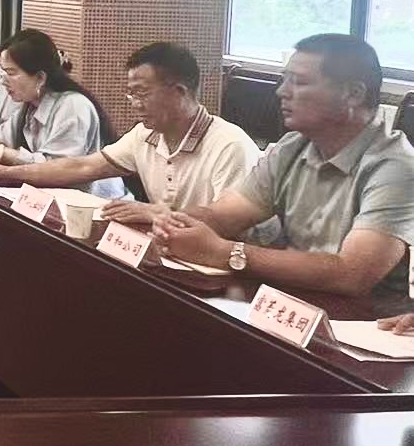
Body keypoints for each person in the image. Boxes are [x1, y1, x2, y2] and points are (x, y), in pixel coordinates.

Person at [153, 34, 414, 307]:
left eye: (298, 82)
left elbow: (351, 274)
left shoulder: (397, 168)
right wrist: (176, 223)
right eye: (284, 79)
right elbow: (223, 216)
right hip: (292, 303)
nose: (282, 92)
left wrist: (226, 253)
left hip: (365, 320)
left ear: (353, 94)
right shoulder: (293, 146)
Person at [0, 42, 259, 226]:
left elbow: (227, 220)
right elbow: (80, 167)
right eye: (130, 94)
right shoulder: (144, 135)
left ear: (180, 92)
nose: (134, 104)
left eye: (141, 93)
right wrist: (3, 174)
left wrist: (156, 213)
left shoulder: (229, 145)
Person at [0, 28, 126, 200]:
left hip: (96, 205)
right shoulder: (30, 105)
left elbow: (56, 168)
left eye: (11, 73)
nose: (3, 81)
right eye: (3, 72)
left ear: (40, 78)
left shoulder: (73, 106)